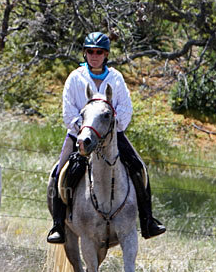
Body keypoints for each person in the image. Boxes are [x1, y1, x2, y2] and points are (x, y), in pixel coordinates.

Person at [46, 31, 166, 244]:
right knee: (59, 173)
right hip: (80, 135)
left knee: (139, 168)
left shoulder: (116, 78)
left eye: (99, 52)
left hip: (111, 135)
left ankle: (148, 221)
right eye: (90, 51)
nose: (94, 55)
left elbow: (125, 108)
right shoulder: (75, 78)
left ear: (106, 54)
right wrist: (85, 130)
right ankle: (58, 225)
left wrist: (110, 128)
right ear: (85, 53)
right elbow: (68, 111)